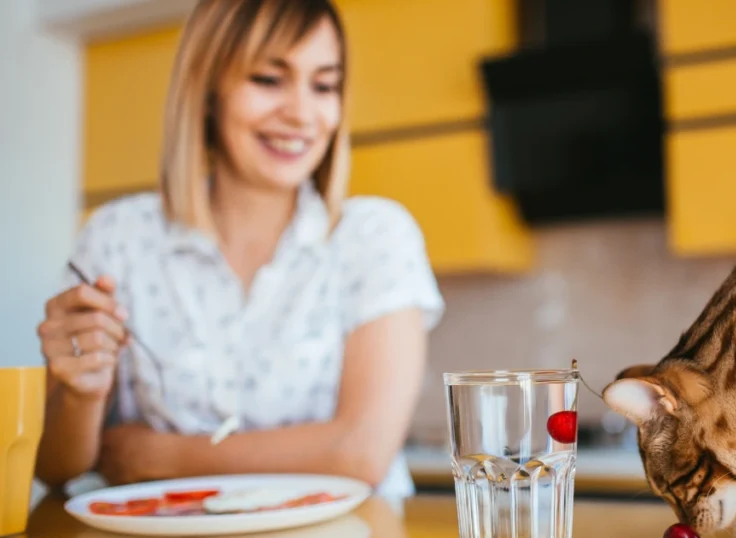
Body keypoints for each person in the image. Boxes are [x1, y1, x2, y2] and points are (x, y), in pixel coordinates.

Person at [34, 0, 444, 502]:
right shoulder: (117, 236)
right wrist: (82, 389)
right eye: (269, 80)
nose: (300, 113)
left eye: (324, 85)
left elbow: (358, 453)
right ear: (207, 90)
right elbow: (56, 468)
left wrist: (155, 456)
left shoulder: (376, 235)